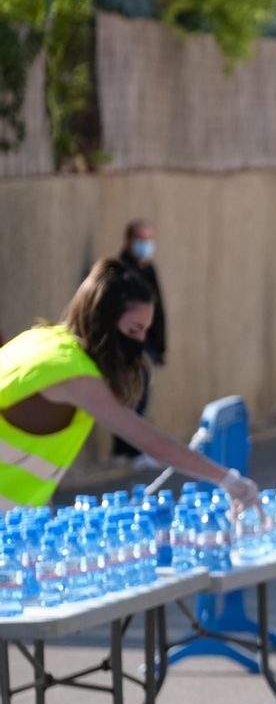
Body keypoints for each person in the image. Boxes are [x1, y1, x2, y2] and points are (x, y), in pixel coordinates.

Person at [0, 258, 260, 513]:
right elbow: (152, 443)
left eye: (146, 331)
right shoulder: (72, 373)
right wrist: (228, 480)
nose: (140, 342)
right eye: (134, 330)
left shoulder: (41, 339)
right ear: (102, 321)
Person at [111, 219, 166, 468]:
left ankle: (131, 450)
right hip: (128, 346)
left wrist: (160, 346)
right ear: (130, 240)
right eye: (141, 239)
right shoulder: (121, 270)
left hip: (148, 344)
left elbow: (159, 310)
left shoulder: (149, 269)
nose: (146, 244)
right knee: (131, 398)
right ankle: (129, 451)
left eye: (149, 238)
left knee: (142, 397)